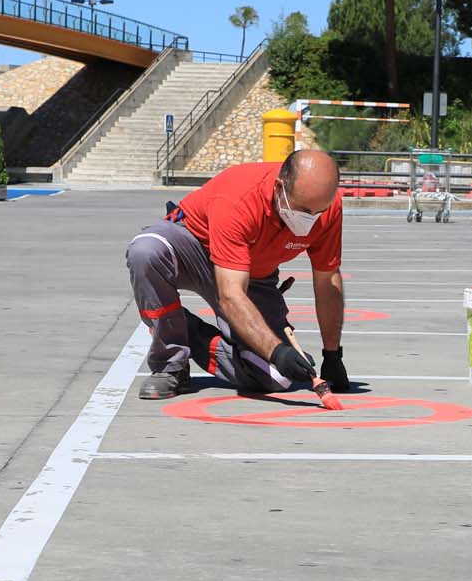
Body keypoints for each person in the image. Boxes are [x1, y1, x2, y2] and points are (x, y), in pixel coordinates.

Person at [124, 150, 355, 401]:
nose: (310, 219)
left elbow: (327, 281)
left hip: (253, 274)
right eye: (302, 209)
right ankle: (170, 365)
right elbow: (231, 294)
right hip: (197, 249)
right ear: (279, 188)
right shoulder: (239, 198)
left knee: (276, 378)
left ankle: (187, 330)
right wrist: (277, 352)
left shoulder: (328, 208)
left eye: (318, 212)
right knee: (146, 251)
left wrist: (332, 356)